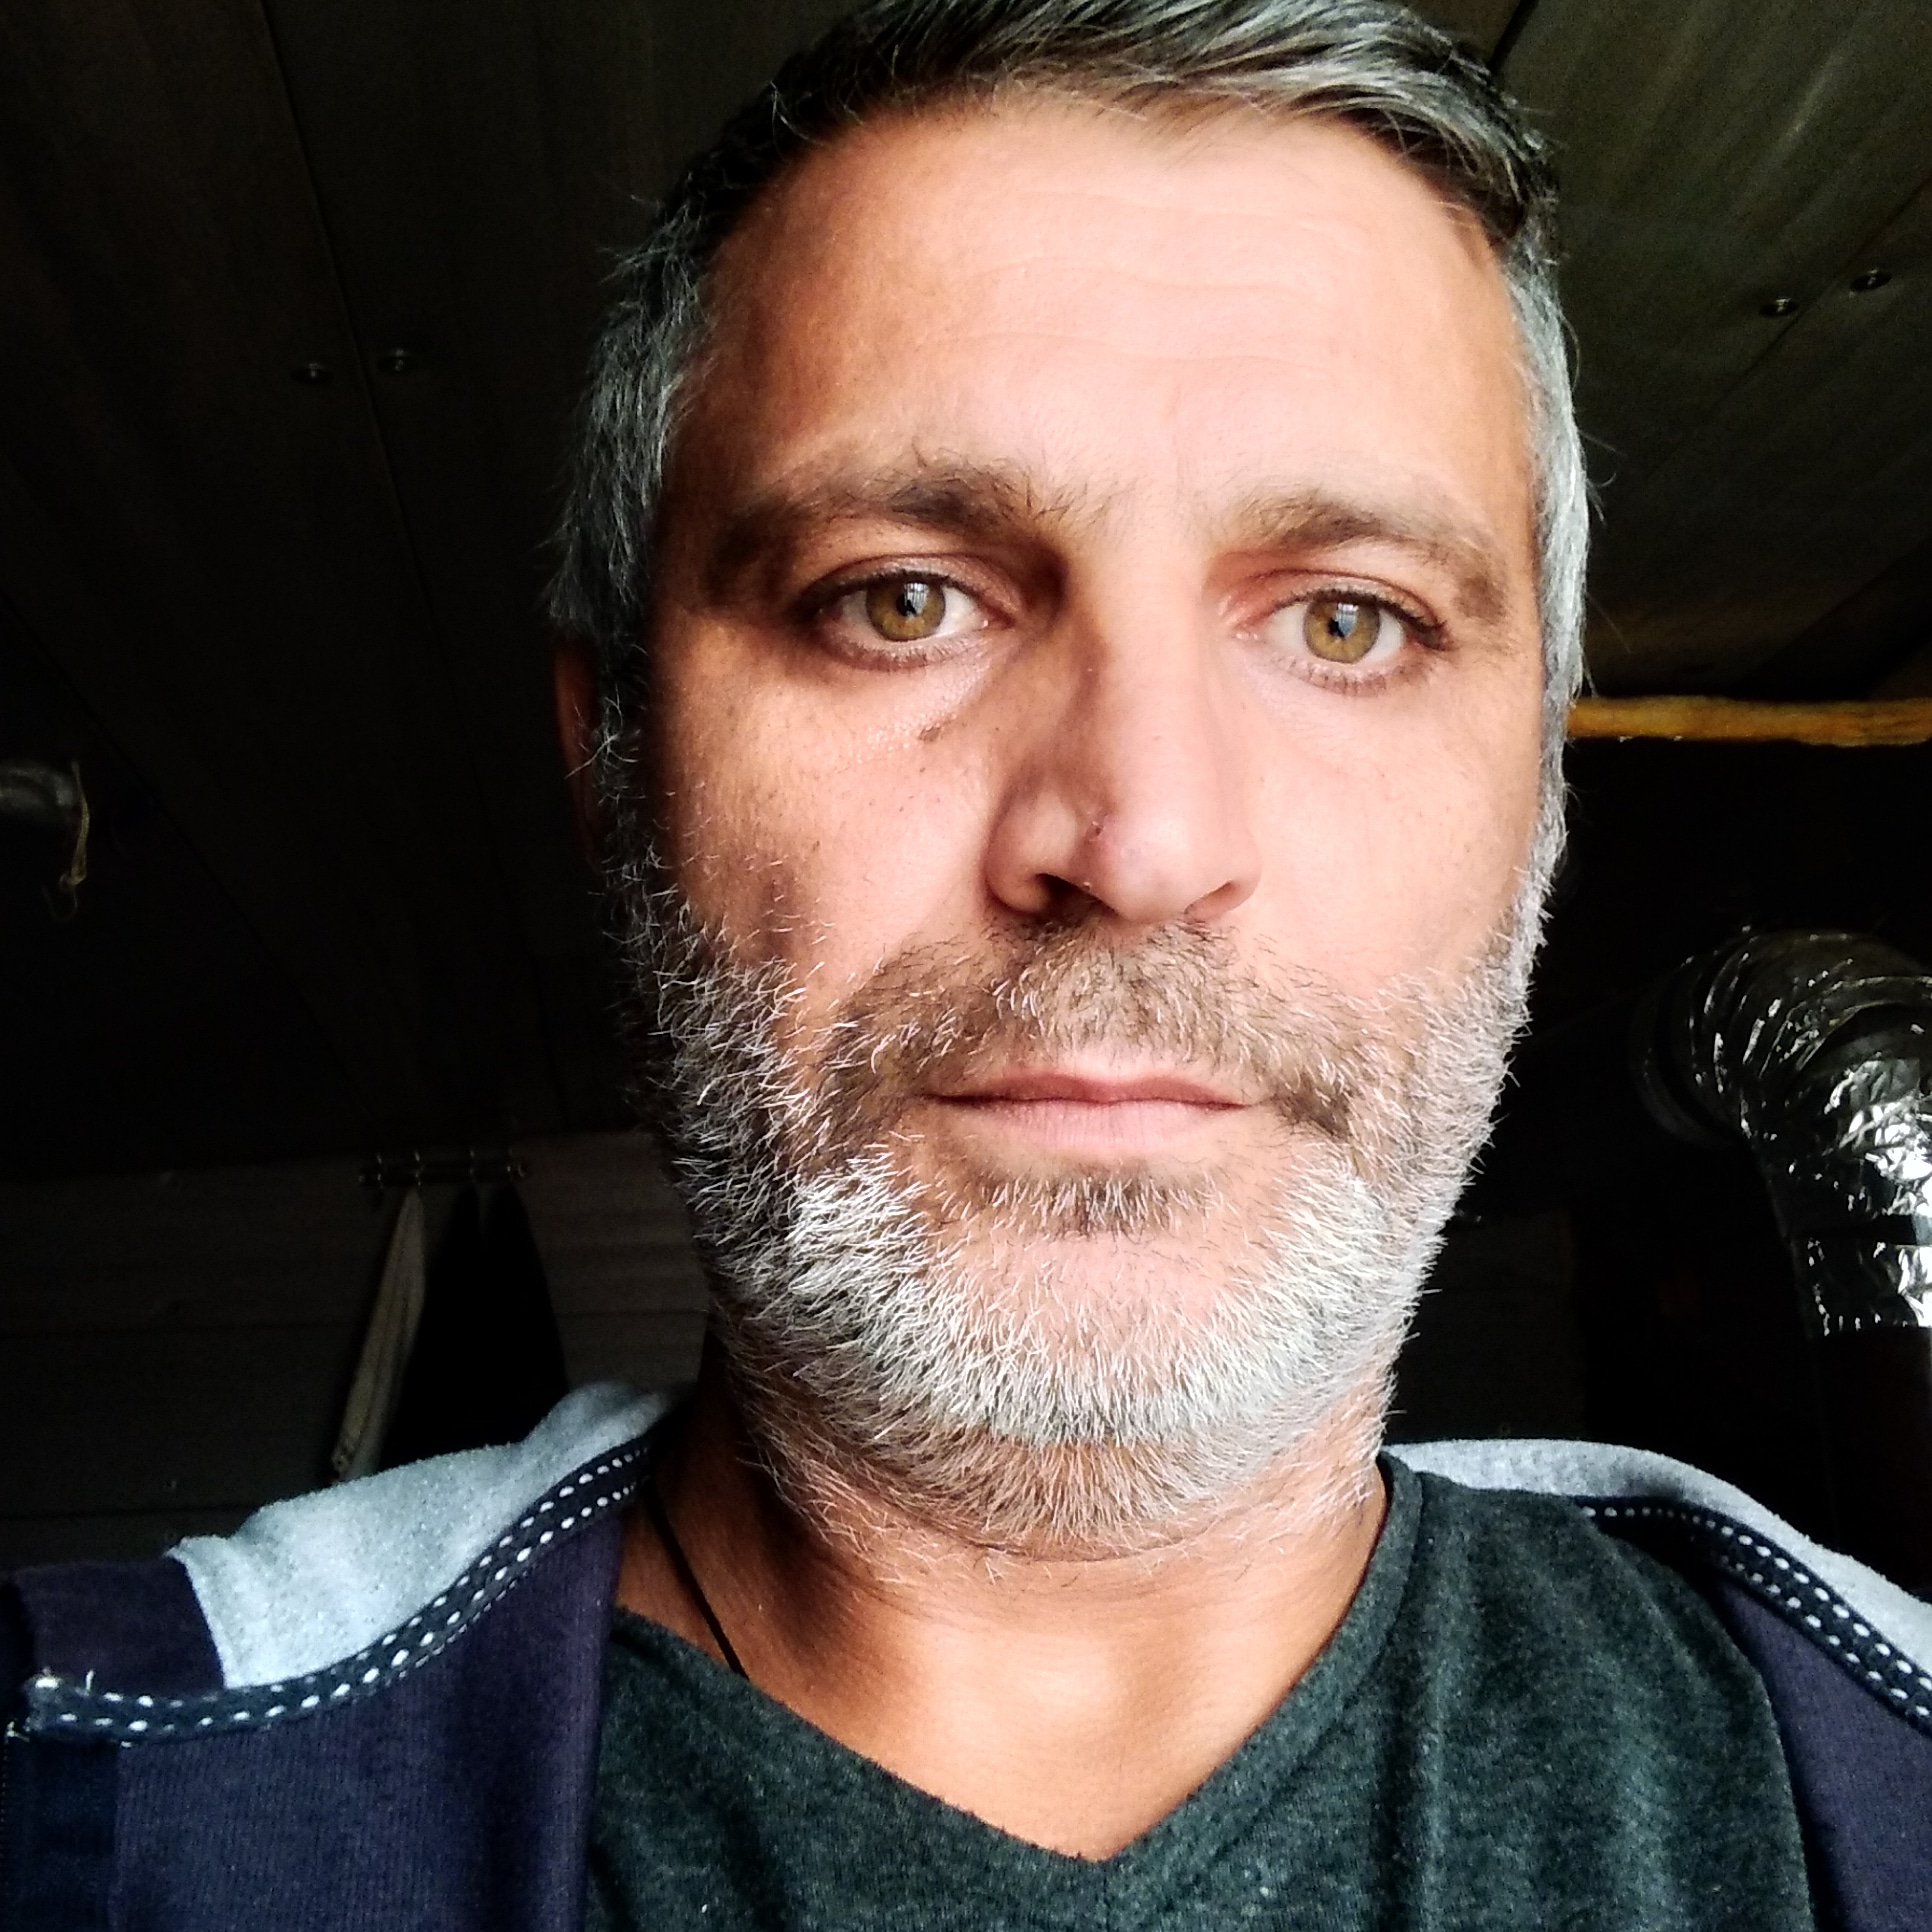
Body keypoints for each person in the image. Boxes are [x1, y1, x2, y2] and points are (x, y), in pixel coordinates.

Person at [4, 2, 1928, 1927]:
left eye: (1347, 621)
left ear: (1541, 801)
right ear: (615, 761)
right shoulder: (96, 1807)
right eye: (904, 600)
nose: (1140, 844)